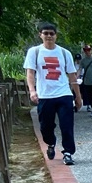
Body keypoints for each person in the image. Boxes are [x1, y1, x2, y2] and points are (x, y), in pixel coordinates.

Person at [24, 22, 83, 165]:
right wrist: (32, 90)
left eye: (52, 33)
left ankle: (68, 152)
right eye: (46, 33)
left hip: (64, 94)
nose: (49, 36)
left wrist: (78, 97)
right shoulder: (34, 52)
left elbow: (72, 75)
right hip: (45, 96)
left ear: (56, 35)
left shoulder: (64, 53)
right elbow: (30, 73)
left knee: (66, 125)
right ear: (40, 35)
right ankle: (50, 143)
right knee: (46, 126)